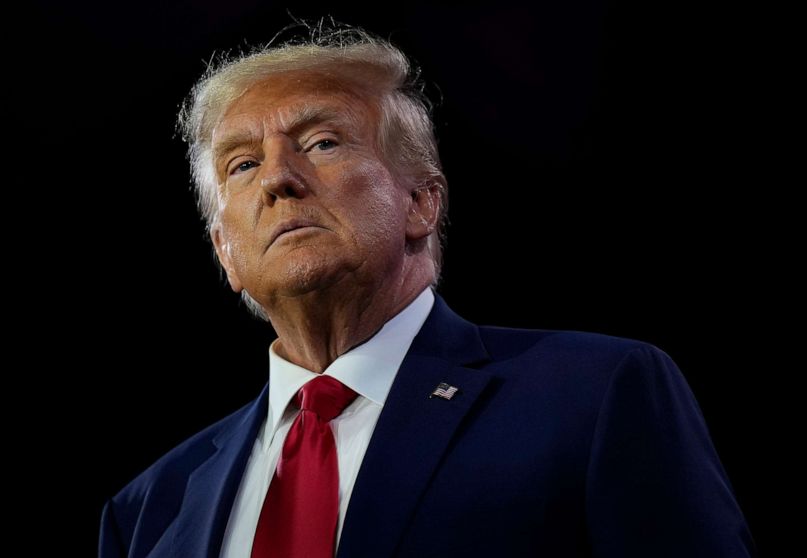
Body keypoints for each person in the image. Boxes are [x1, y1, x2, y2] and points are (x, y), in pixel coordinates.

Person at [98, 22, 756, 558]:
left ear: (420, 201)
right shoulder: (152, 508)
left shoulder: (596, 397)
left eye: (321, 142)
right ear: (225, 253)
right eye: (243, 164)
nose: (278, 179)